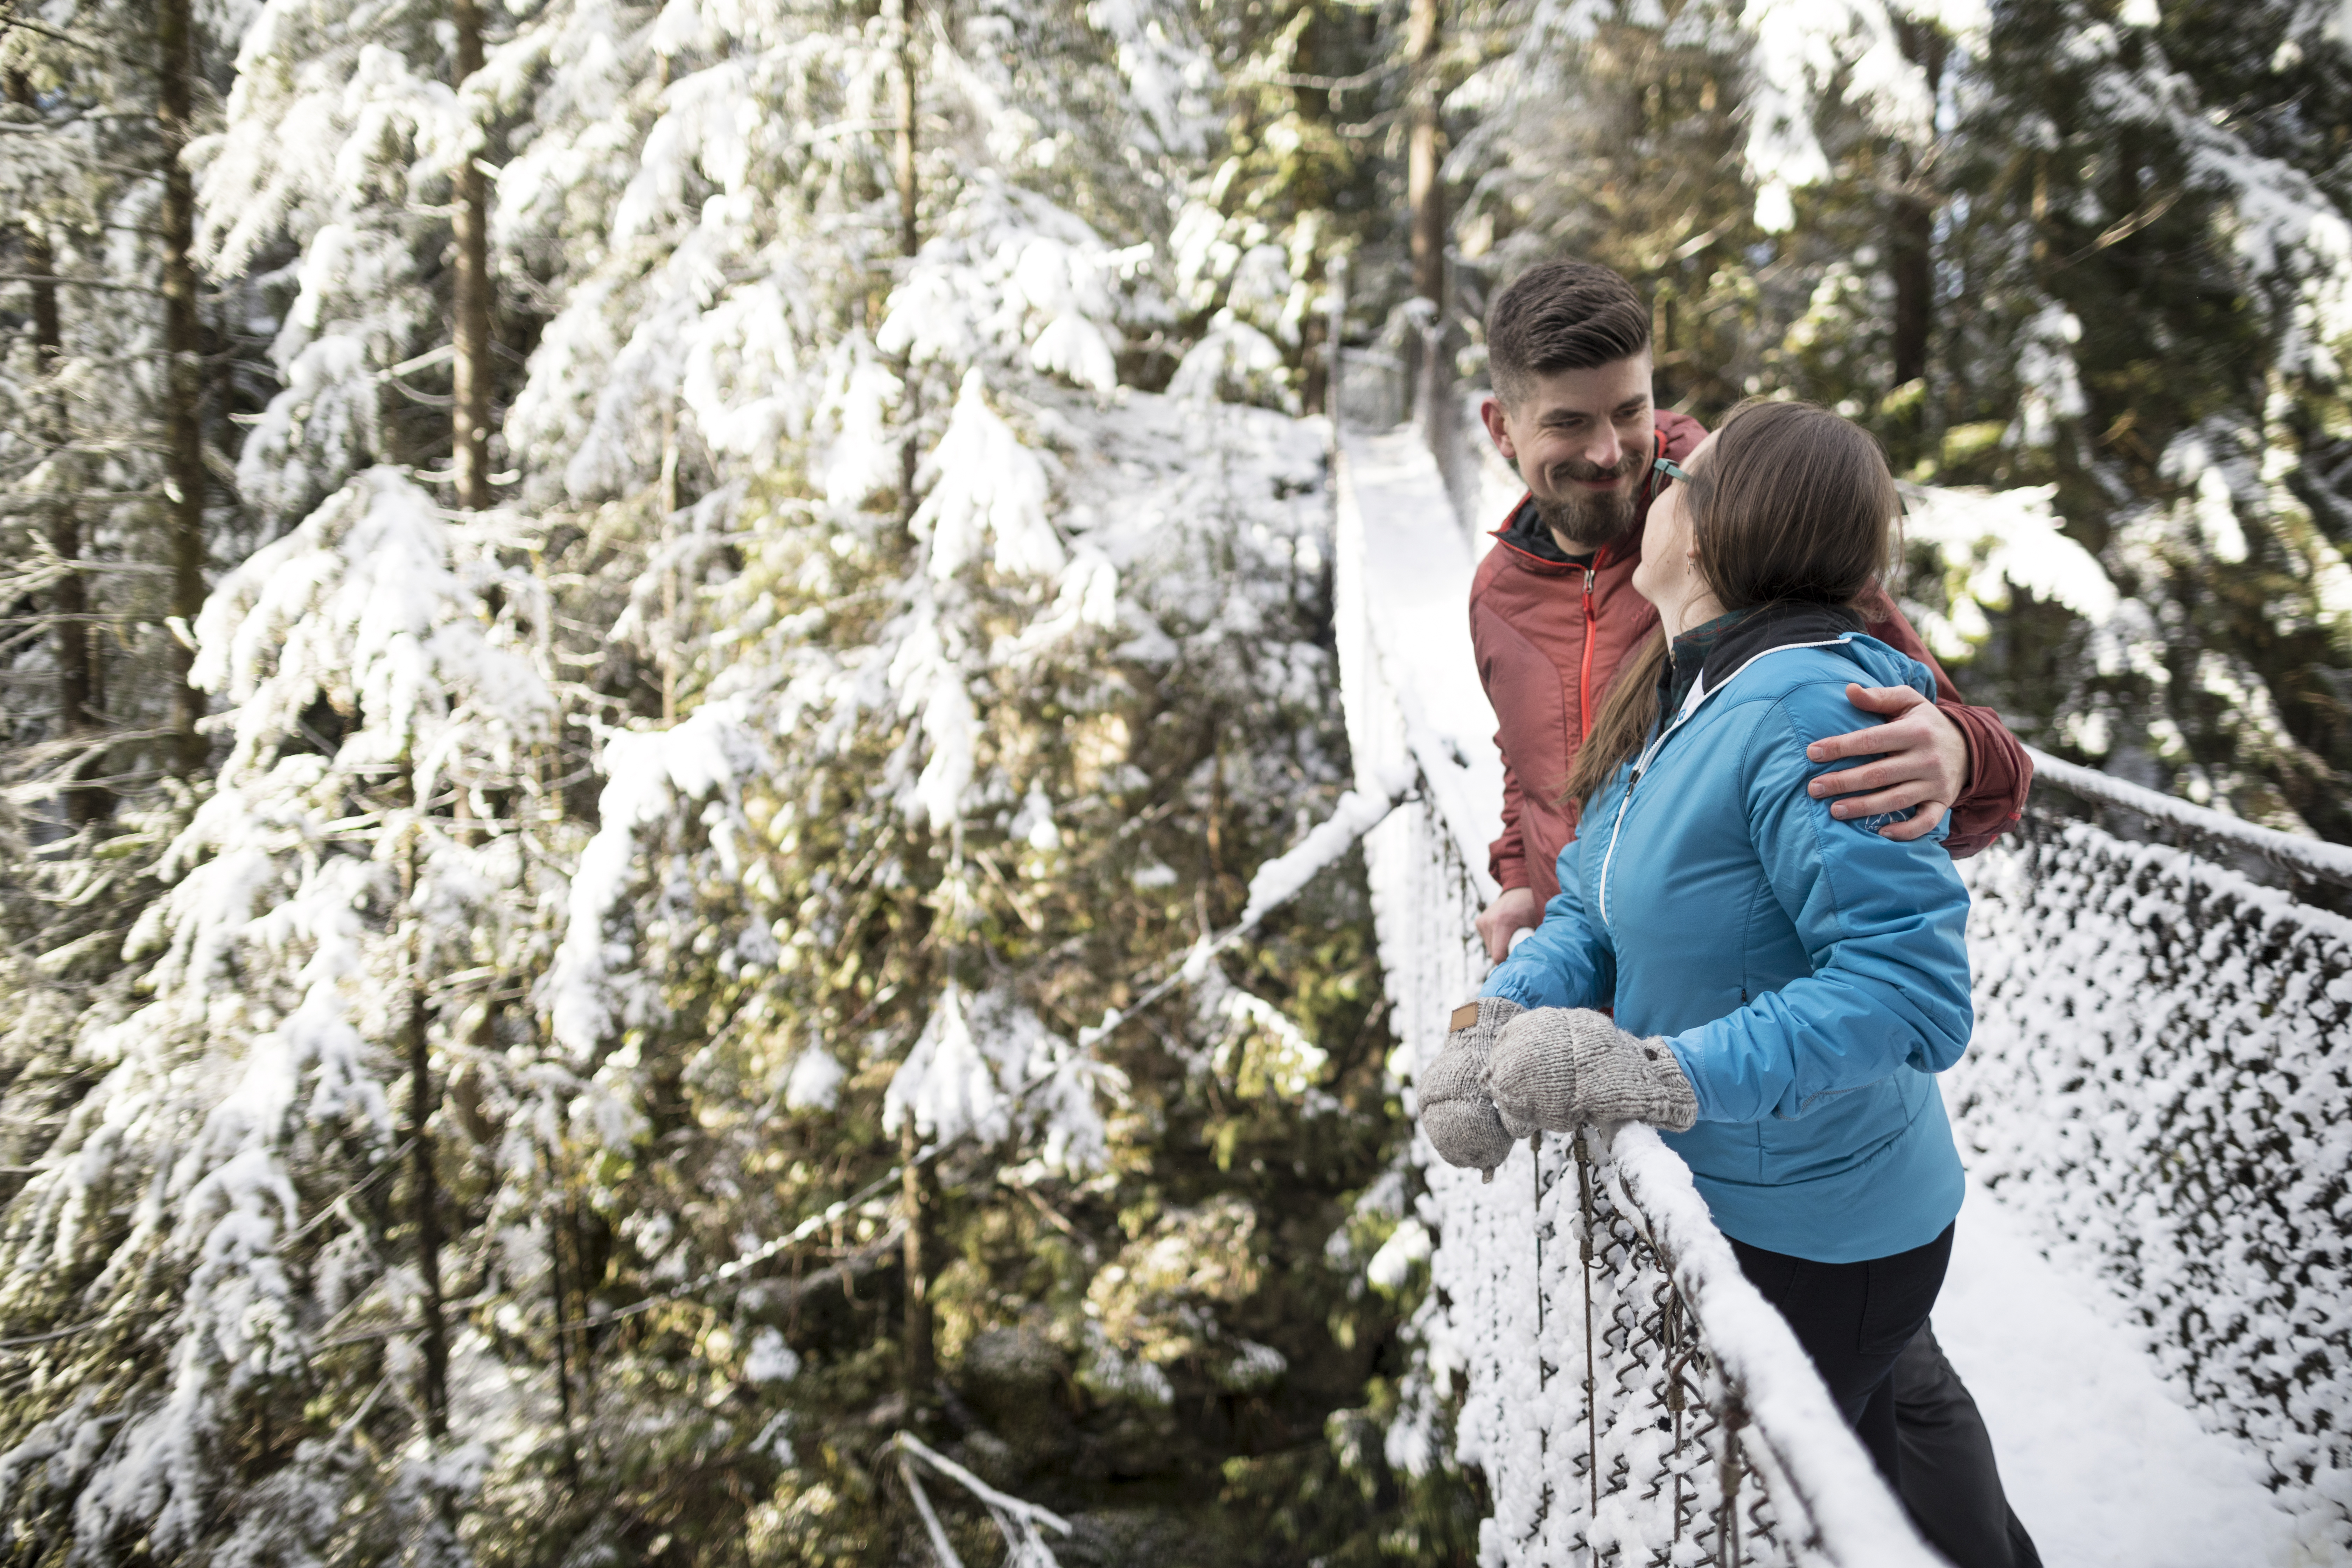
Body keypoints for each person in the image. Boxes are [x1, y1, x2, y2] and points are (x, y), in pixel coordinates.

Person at [1424, 398, 2038, 1568]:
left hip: (1822, 1236)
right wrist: (1492, 1014)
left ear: (1706, 535)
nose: (1654, 489)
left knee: (1803, 1520)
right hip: (1755, 1204)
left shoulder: (1810, 709)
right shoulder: (1687, 689)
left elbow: (1909, 994)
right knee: (1898, 1477)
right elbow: (1597, 909)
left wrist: (1658, 1074)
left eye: (1680, 480)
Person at [1465, 261, 2030, 966]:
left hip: (1728, 1025)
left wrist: (1960, 749)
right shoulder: (1498, 596)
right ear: (1502, 428)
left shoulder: (1743, 533)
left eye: (1630, 411)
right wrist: (1520, 881)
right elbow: (1526, 763)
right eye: (1569, 423)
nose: (1609, 451)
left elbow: (1980, 768)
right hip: (1574, 981)